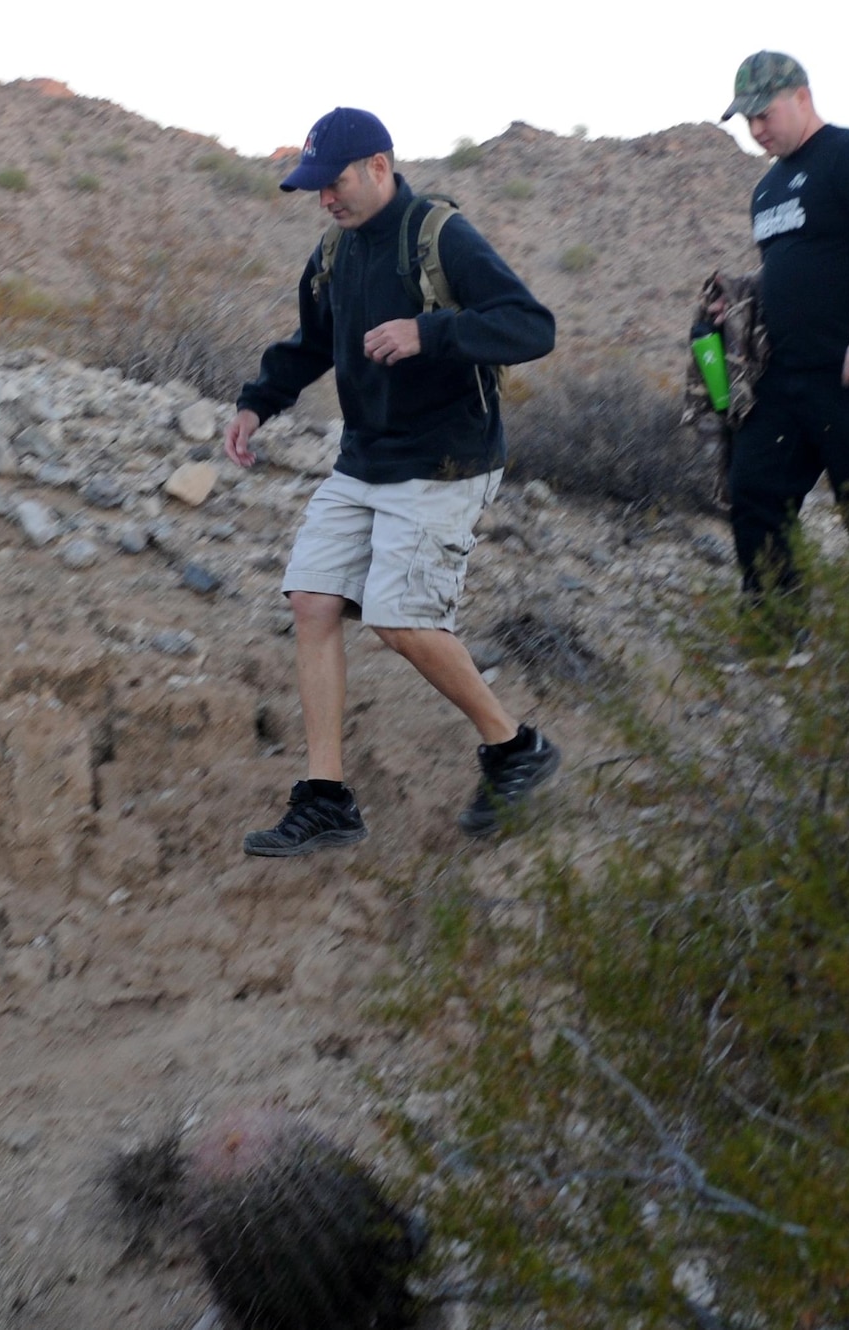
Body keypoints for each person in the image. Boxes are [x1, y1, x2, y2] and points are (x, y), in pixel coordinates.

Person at [224, 107, 559, 855]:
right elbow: (311, 341)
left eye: (335, 183)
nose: (325, 200)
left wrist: (429, 332)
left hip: (446, 461)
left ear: (379, 166)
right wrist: (257, 404)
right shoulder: (334, 252)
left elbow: (532, 325)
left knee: (400, 620)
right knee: (311, 600)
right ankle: (326, 798)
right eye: (316, 189)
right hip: (366, 457)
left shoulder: (438, 235)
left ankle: (515, 750)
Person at [720, 52, 849, 648]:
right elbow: (790, 270)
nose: (756, 128)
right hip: (786, 379)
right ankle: (777, 637)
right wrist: (733, 306)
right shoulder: (766, 188)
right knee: (755, 489)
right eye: (746, 119)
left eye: (764, 113)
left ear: (801, 96)